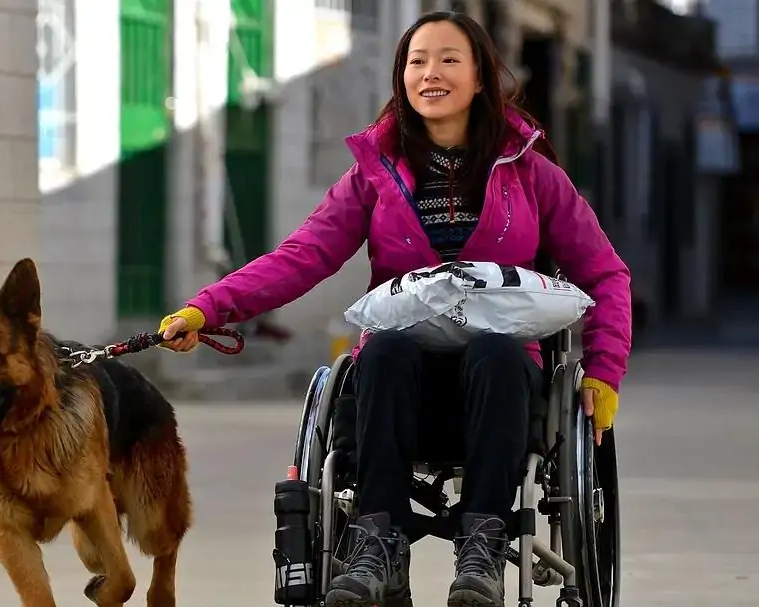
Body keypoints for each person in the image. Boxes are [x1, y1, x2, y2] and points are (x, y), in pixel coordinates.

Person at [157, 11, 631, 607]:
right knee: (383, 349)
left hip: (501, 383)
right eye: (417, 61)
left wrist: (604, 371)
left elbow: (605, 273)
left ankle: (482, 543)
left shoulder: (531, 172)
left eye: (449, 60)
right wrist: (207, 309)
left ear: (481, 76)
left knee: (495, 352)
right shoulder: (374, 174)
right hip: (401, 381)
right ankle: (376, 538)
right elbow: (301, 257)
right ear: (401, 77)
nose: (430, 73)